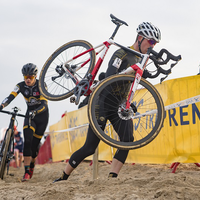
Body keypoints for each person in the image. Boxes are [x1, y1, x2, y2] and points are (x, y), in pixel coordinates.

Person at [53, 22, 161, 182]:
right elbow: (110, 77)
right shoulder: (122, 54)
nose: (153, 46)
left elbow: (134, 81)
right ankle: (63, 176)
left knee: (127, 140)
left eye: (156, 43)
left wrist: (128, 101)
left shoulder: (142, 59)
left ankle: (112, 177)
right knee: (90, 147)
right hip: (102, 101)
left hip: (119, 104)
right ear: (140, 38)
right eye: (151, 41)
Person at [0, 63, 49, 181]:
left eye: (30, 77)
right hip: (29, 116)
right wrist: (2, 105)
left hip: (42, 116)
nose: (27, 80)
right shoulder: (20, 86)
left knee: (34, 147)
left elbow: (44, 105)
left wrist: (36, 112)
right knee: (27, 141)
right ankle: (26, 172)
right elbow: (10, 97)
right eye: (25, 77)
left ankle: (32, 165)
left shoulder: (41, 85)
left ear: (35, 76)